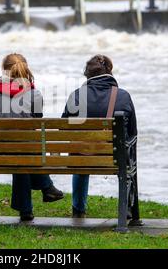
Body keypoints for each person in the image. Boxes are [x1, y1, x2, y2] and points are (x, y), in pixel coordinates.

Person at [0, 53, 64, 221]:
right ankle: (45, 188)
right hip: (24, 151)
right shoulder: (34, 94)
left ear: (4, 70)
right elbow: (37, 122)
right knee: (23, 149)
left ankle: (35, 201)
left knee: (21, 150)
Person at [62, 55, 137, 218]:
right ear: (109, 72)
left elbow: (63, 127)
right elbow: (132, 131)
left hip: (81, 157)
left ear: (88, 75)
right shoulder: (123, 96)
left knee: (81, 153)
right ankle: (127, 208)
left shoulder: (76, 95)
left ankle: (78, 209)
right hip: (114, 157)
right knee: (127, 155)